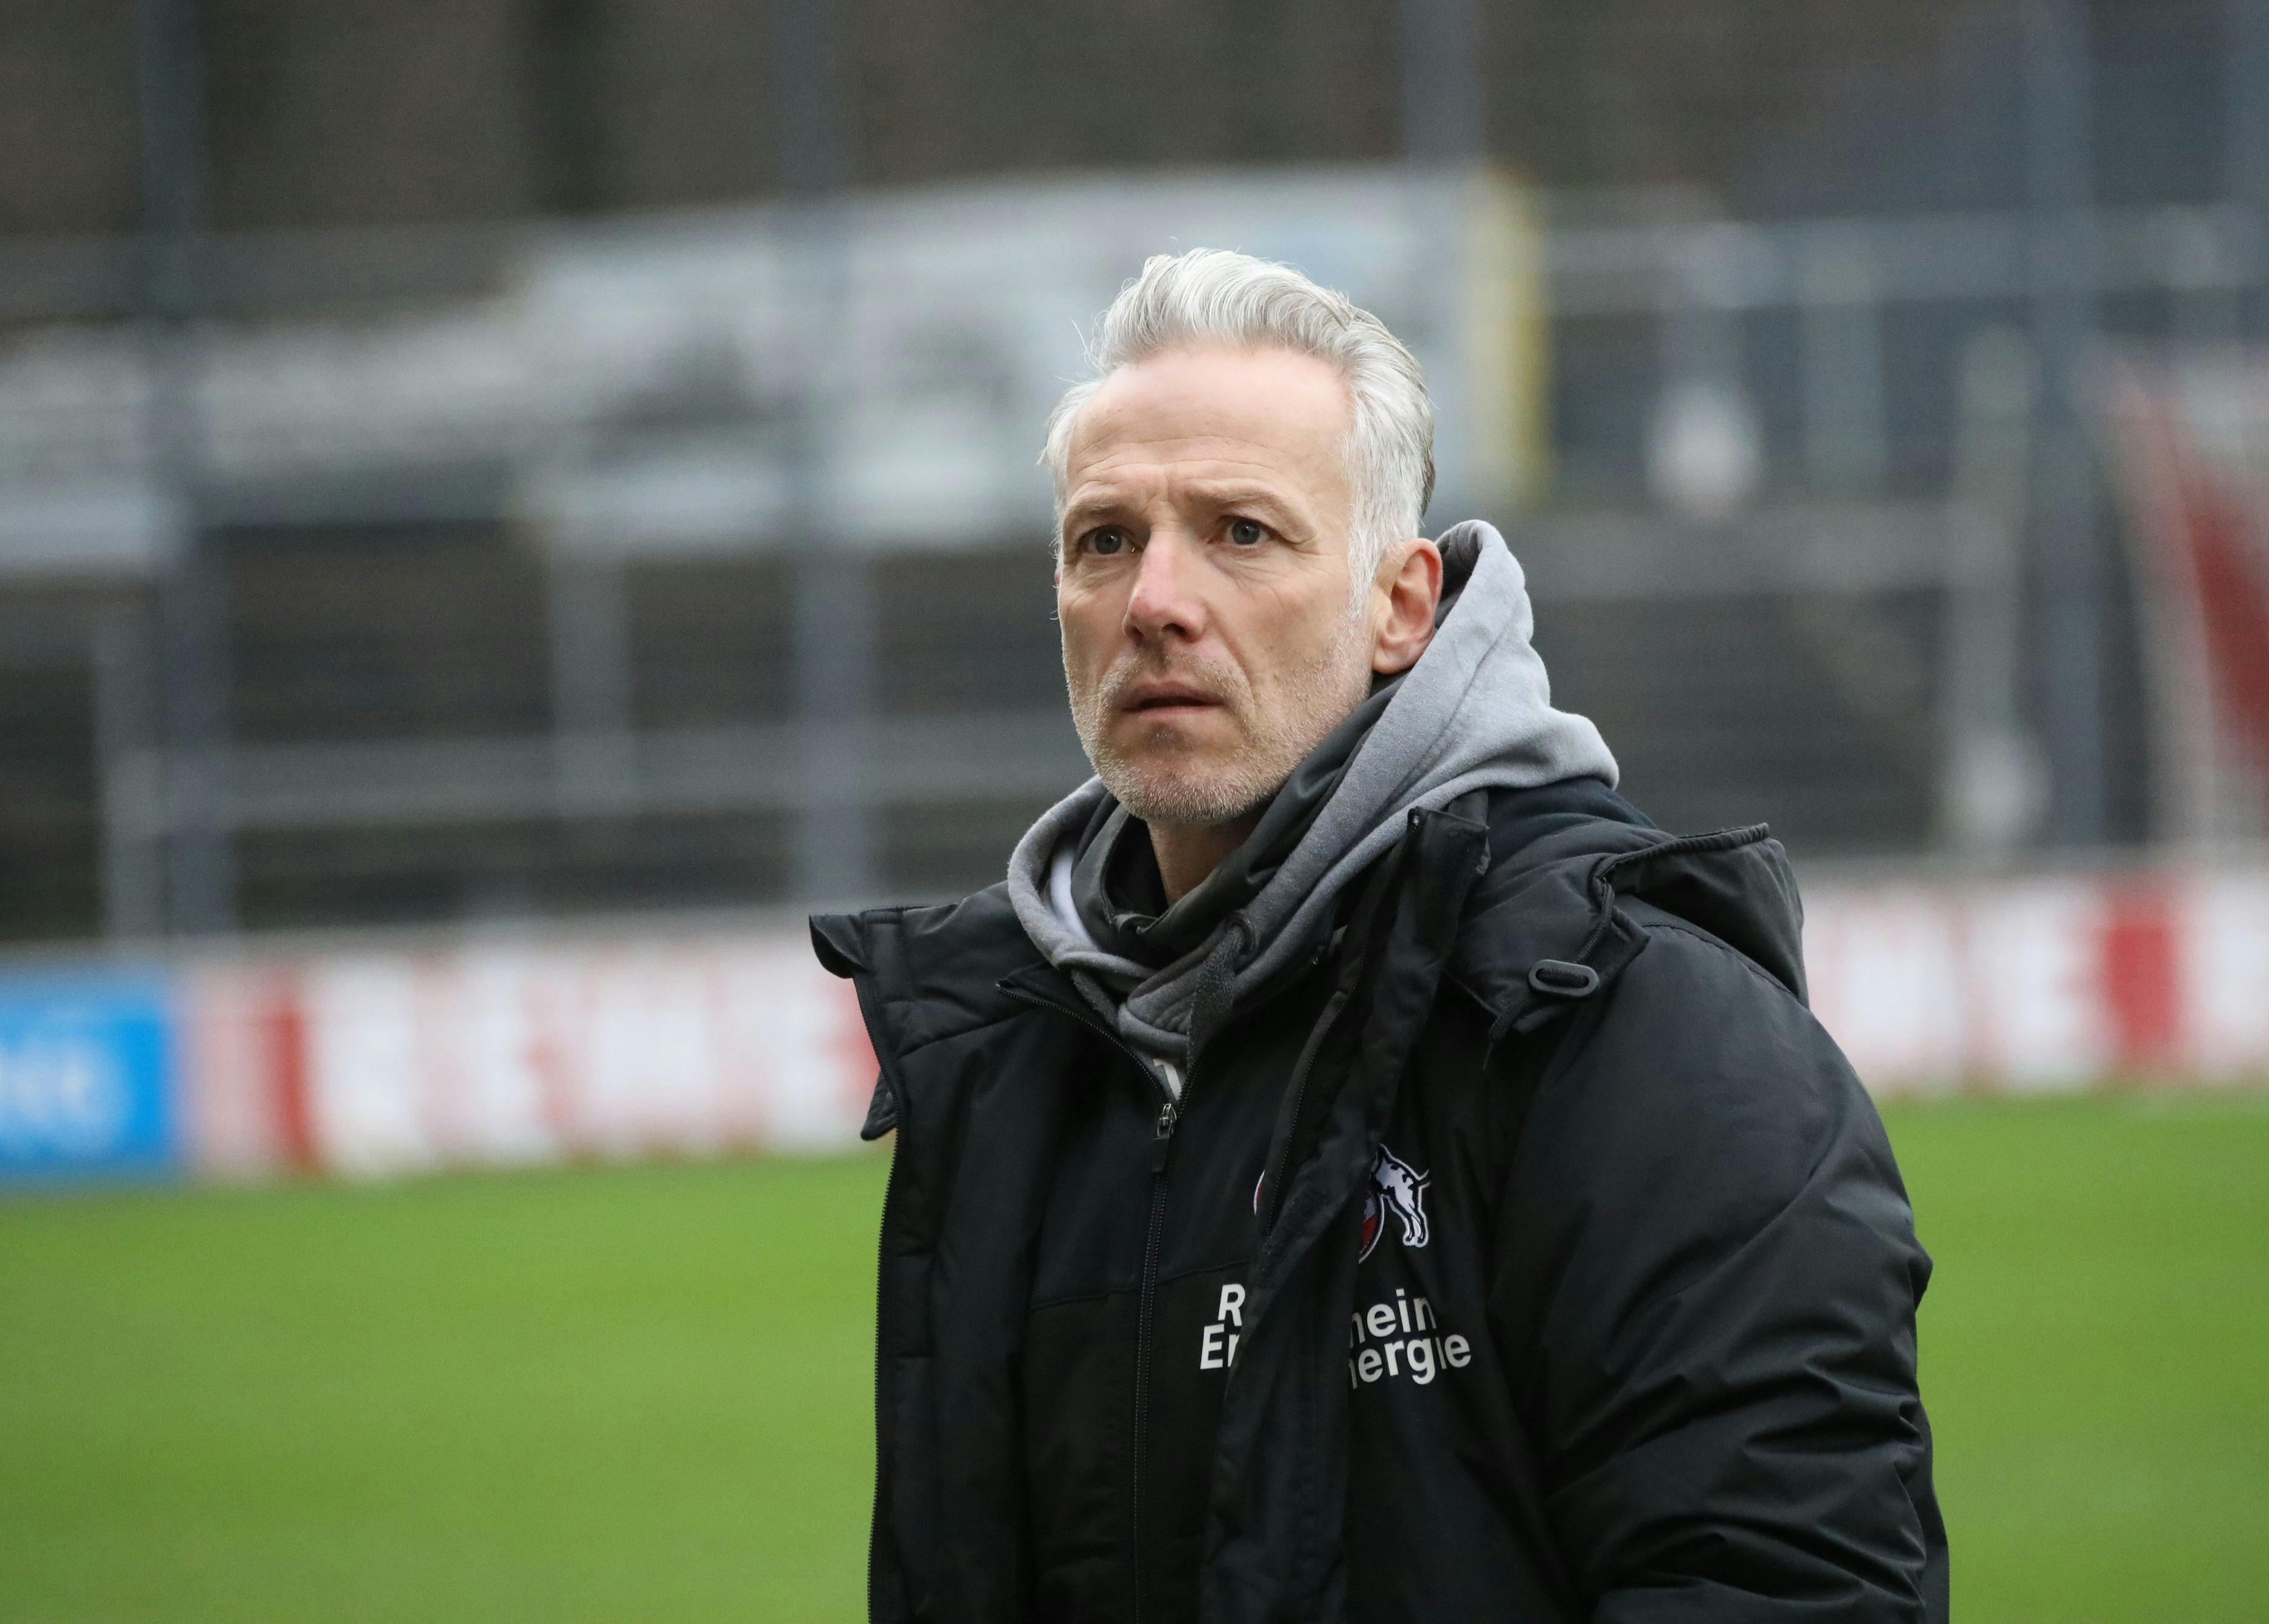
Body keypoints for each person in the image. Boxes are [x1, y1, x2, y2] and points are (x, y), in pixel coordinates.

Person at [811, 249, 1944, 1624]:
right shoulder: (1011, 1061)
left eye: (1241, 532)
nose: (1154, 599)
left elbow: (1784, 1589)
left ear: (1400, 605)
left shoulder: (1632, 1027)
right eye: (1103, 539)